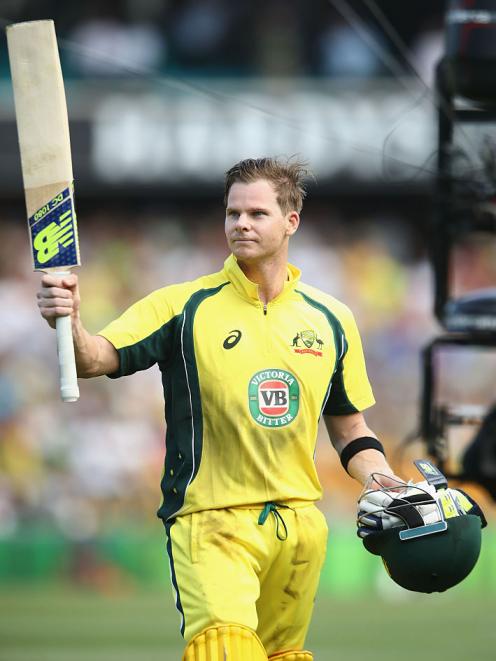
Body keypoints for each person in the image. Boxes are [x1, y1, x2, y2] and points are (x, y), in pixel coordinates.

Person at [37, 157, 401, 661]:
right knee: (224, 650)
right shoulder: (182, 305)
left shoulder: (332, 318)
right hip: (210, 523)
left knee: (284, 657)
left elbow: (351, 428)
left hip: (299, 528)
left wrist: (382, 478)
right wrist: (70, 322)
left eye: (257, 213)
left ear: (291, 221)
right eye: (233, 214)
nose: (241, 224)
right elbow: (96, 357)